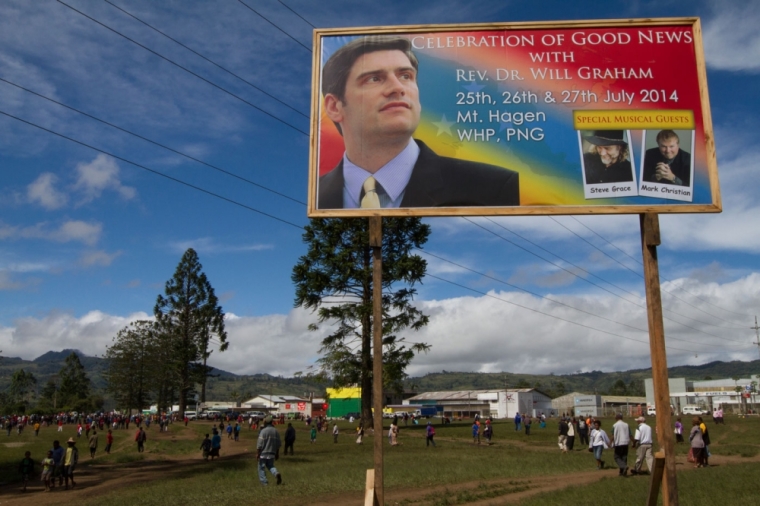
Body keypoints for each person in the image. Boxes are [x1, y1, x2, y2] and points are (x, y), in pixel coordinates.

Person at [318, 36, 520, 210]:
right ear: (334, 107)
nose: (397, 88)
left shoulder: (494, 186)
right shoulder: (315, 196)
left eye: (406, 76)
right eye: (374, 79)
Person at [256, 416, 282, 486]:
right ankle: (276, 473)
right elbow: (278, 444)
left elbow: (260, 443)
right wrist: (277, 453)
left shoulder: (263, 431)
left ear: (266, 422)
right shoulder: (275, 431)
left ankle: (264, 483)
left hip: (263, 453)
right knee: (270, 465)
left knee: (261, 467)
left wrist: (258, 453)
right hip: (272, 453)